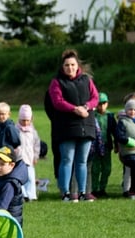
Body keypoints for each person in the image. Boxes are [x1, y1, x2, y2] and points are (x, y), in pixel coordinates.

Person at [46, 49, 99, 202]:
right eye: (67, 65)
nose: (70, 68)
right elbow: (57, 102)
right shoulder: (57, 82)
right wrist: (75, 109)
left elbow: (95, 97)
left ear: (77, 66)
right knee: (67, 159)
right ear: (62, 67)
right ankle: (66, 193)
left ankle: (82, 192)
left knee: (82, 160)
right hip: (66, 127)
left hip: (86, 125)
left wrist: (86, 107)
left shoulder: (86, 80)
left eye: (72, 65)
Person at [114, 98, 135, 199]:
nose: (132, 112)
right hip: (128, 153)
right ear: (126, 110)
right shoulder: (122, 122)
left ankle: (133, 191)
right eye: (130, 109)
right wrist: (133, 143)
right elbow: (120, 137)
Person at [89, 93, 117, 198]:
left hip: (106, 145)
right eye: (99, 104)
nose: (101, 106)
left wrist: (116, 144)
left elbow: (114, 131)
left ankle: (103, 188)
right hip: (95, 146)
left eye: (104, 103)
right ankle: (94, 188)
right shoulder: (92, 115)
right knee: (95, 168)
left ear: (107, 104)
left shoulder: (110, 116)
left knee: (107, 168)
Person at [16, 105, 41, 201]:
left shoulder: (33, 132)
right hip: (19, 158)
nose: (25, 123)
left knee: (30, 177)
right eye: (23, 120)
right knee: (20, 177)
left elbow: (36, 145)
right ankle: (23, 194)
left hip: (30, 158)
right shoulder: (16, 130)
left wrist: (35, 156)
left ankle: (31, 195)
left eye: (27, 120)